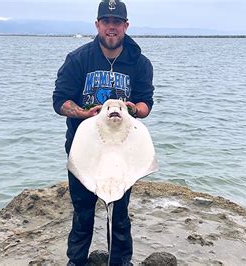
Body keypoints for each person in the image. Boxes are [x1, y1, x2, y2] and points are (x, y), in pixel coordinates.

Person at [52, 0, 154, 265]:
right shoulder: (78, 59)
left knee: (119, 215)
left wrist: (135, 110)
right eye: (106, 22)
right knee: (83, 213)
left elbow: (146, 102)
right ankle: (76, 261)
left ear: (126, 26)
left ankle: (120, 262)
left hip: (123, 152)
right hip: (85, 149)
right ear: (97, 24)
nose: (112, 28)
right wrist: (84, 113)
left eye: (117, 22)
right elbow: (59, 101)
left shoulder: (139, 63)